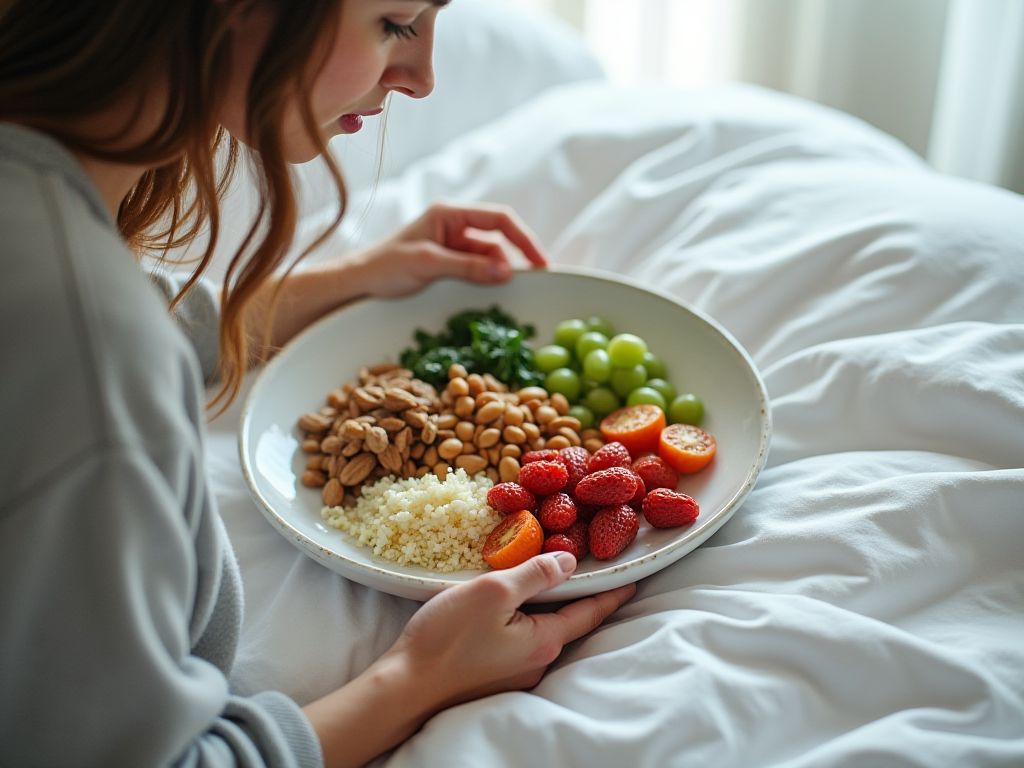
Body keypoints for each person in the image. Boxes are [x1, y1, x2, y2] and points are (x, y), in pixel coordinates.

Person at [0, 1, 636, 766]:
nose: (423, 79)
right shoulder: (93, 354)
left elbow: (130, 310)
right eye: (396, 22)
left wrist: (355, 281)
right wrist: (418, 676)